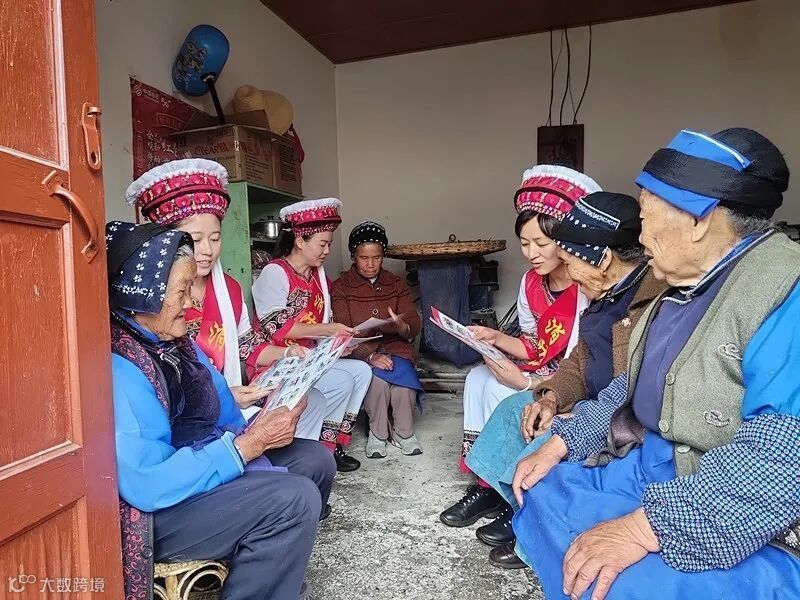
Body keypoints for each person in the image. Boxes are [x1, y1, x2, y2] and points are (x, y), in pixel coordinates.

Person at [513, 128, 800, 599]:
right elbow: (628, 387)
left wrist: (639, 530)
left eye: (646, 218)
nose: (641, 237)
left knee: (622, 583)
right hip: (650, 465)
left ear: (699, 220)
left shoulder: (784, 290)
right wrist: (563, 442)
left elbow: (781, 455)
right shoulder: (680, 289)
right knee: (543, 485)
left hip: (719, 490)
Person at [107, 221, 335, 600]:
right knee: (294, 499)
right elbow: (148, 484)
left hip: (204, 460)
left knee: (316, 461)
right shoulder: (121, 369)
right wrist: (249, 446)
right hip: (163, 510)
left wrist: (277, 409)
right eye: (181, 291)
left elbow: (223, 413)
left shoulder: (176, 344)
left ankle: (274, 573)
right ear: (142, 295)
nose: (192, 303)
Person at [461, 191, 666, 569]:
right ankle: (509, 502)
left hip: (622, 415)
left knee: (547, 442)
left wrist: (578, 417)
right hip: (591, 401)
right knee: (516, 410)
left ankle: (532, 533)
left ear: (603, 259)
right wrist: (551, 397)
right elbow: (578, 361)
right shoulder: (605, 294)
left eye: (571, 263)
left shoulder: (653, 300)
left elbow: (633, 387)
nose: (568, 274)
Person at [126, 159, 330, 442]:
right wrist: (221, 398)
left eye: (215, 238)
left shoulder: (229, 290)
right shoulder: (151, 302)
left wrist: (287, 354)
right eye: (195, 239)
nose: (207, 250)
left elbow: (248, 347)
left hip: (229, 398)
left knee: (309, 401)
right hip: (183, 417)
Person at [439, 165, 595, 530]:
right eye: (525, 244)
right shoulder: (531, 282)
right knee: (477, 378)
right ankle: (485, 483)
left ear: (565, 240)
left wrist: (527, 382)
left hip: (570, 378)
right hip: (545, 365)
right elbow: (534, 344)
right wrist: (495, 338)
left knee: (501, 389)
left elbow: (581, 362)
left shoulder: (585, 286)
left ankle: (512, 489)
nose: (531, 253)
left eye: (541, 243)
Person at [252, 198, 372, 472]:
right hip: (279, 360)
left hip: (310, 357)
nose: (327, 251)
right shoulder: (275, 273)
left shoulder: (318, 276)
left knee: (360, 371)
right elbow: (278, 329)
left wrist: (339, 344)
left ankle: (329, 442)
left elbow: (322, 323)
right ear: (300, 241)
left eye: (329, 244)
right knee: (342, 380)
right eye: (322, 244)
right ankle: (314, 448)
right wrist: (330, 330)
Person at [331, 221, 424, 458]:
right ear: (353, 256)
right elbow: (343, 334)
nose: (370, 264)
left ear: (383, 256)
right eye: (364, 258)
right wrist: (370, 356)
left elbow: (413, 322)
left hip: (396, 348)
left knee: (403, 383)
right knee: (377, 382)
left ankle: (405, 434)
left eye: (377, 257)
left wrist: (403, 326)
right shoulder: (341, 287)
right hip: (361, 351)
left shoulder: (394, 283)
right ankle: (378, 434)